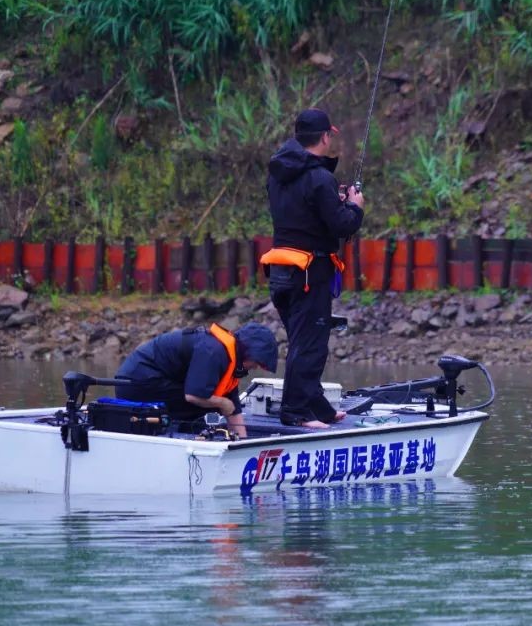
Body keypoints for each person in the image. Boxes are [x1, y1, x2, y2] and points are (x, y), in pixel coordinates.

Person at [263, 108, 364, 428]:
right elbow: (339, 225)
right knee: (309, 345)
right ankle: (295, 414)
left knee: (302, 342)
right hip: (309, 274)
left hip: (280, 272)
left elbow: (301, 214)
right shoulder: (320, 177)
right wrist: (354, 207)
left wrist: (333, 201)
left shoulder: (278, 173)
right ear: (324, 137)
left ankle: (317, 406)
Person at [113, 322, 278, 439]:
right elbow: (193, 396)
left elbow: (233, 408)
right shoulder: (213, 352)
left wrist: (243, 442)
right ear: (247, 352)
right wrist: (221, 404)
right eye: (257, 362)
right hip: (136, 382)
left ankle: (183, 430)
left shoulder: (230, 360)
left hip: (158, 381)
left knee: (215, 403)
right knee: (204, 403)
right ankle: (180, 435)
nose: (255, 367)